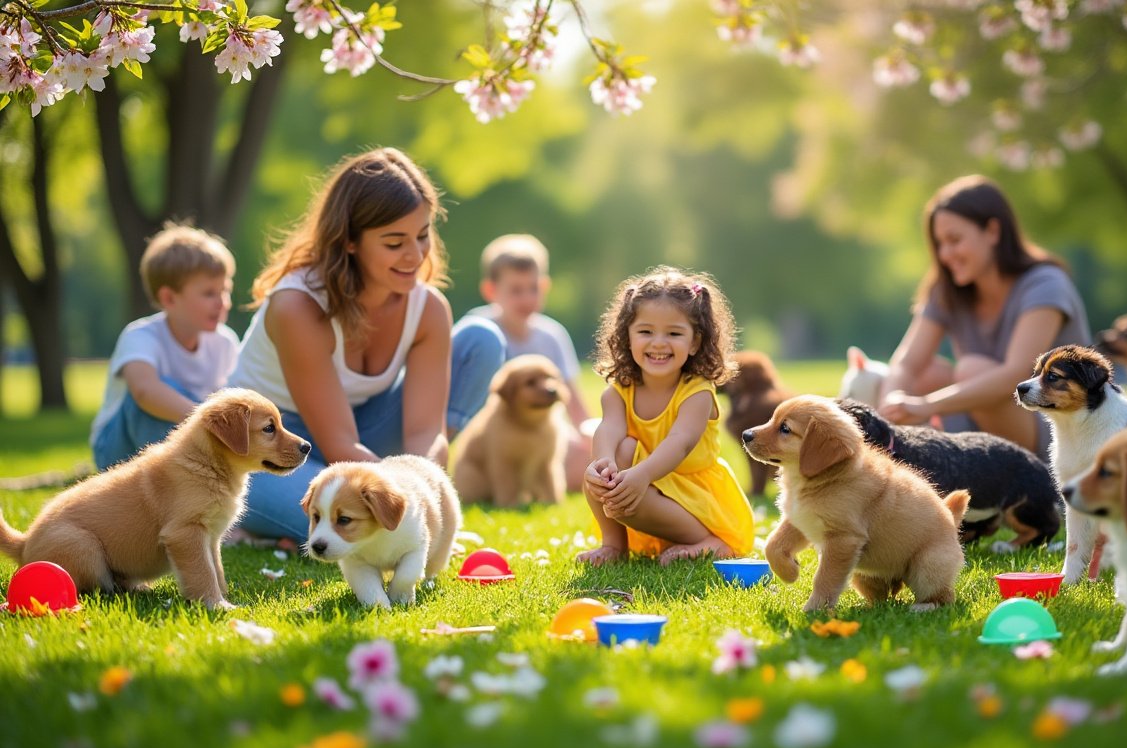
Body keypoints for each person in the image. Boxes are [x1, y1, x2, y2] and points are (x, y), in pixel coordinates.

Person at [229, 147, 504, 540]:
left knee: (482, 341)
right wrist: (397, 504)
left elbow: (427, 432)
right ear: (350, 242)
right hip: (270, 447)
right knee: (340, 528)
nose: (415, 255)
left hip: (361, 426)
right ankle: (271, 522)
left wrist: (419, 491)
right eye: (394, 243)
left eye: (423, 235)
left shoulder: (427, 309)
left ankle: (334, 508)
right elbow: (337, 441)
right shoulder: (297, 306)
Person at [877, 175, 1091, 458]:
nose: (945, 254)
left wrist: (927, 405)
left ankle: (1019, 481)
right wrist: (887, 412)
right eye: (939, 244)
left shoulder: (1045, 283)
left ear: (992, 231)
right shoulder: (948, 290)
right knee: (924, 375)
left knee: (969, 370)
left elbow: (1015, 374)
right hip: (990, 424)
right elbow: (906, 363)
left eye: (954, 240)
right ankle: (915, 462)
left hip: (1058, 431)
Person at [577, 266, 755, 566]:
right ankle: (614, 545)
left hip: (695, 498)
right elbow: (608, 429)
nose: (659, 343)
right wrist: (603, 463)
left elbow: (681, 442)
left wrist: (642, 475)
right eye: (645, 331)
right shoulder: (620, 390)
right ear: (627, 336)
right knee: (604, 469)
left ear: (695, 342)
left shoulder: (696, 392)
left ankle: (711, 542)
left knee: (626, 500)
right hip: (647, 486)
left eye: (674, 333)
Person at [91, 224, 240, 471]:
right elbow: (144, 391)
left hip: (186, 441)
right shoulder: (140, 335)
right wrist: (208, 421)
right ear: (169, 298)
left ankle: (195, 477)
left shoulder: (225, 343)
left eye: (225, 290)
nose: (222, 302)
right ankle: (184, 480)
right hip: (119, 452)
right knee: (159, 395)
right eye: (209, 293)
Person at [465, 233, 593, 491]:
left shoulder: (552, 335)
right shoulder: (478, 331)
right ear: (491, 290)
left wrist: (593, 440)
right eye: (515, 290)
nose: (526, 298)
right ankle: (513, 484)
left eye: (533, 288)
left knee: (586, 458)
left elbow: (573, 402)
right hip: (497, 435)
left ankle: (532, 483)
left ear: (544, 286)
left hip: (544, 432)